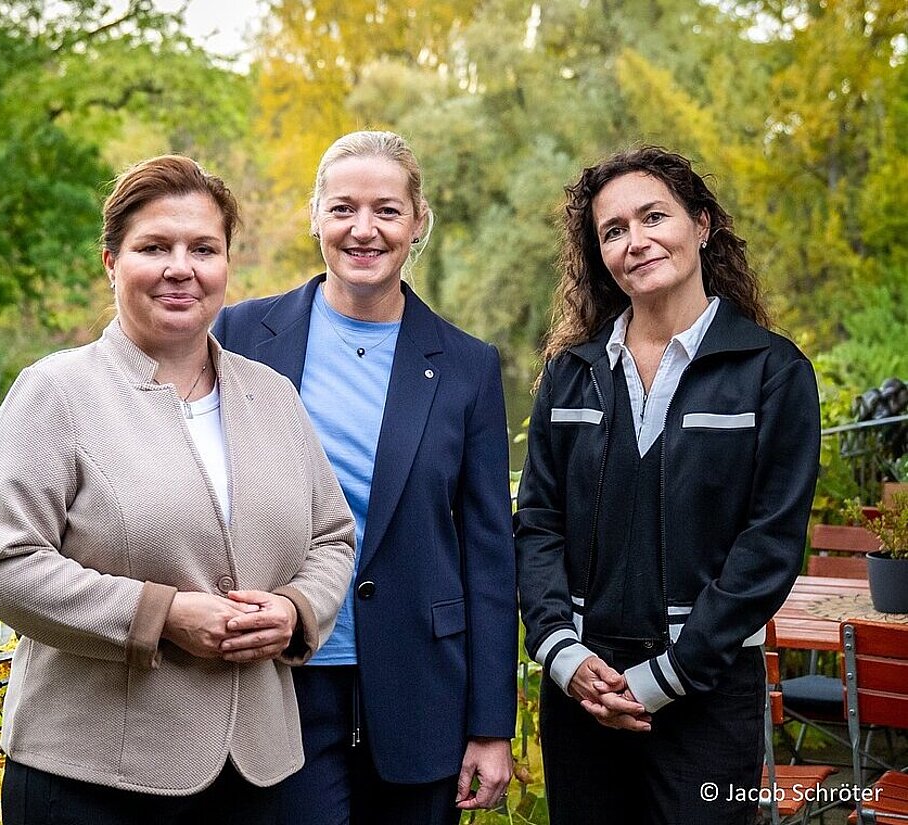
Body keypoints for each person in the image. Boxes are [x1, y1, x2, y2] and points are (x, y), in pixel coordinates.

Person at [0, 155, 356, 825]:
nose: (182, 267)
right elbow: (5, 567)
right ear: (112, 262)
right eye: (155, 247)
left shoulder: (274, 396)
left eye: (203, 248)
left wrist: (296, 610)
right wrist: (162, 614)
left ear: (226, 265)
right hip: (94, 780)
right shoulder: (55, 393)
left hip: (263, 776)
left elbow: (332, 537)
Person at [212, 130, 517, 824]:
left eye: (386, 210)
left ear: (417, 224)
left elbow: (489, 554)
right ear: (315, 216)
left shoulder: (468, 365)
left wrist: (492, 724)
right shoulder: (237, 334)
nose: (363, 229)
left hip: (422, 686)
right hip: (279, 677)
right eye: (343, 207)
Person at [515, 146, 821, 825]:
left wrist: (665, 676)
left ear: (702, 225)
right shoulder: (572, 375)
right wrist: (562, 653)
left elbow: (769, 546)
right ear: (599, 254)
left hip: (705, 700)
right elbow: (537, 523)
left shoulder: (772, 373)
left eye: (654, 216)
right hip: (582, 696)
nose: (636, 241)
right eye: (614, 229)